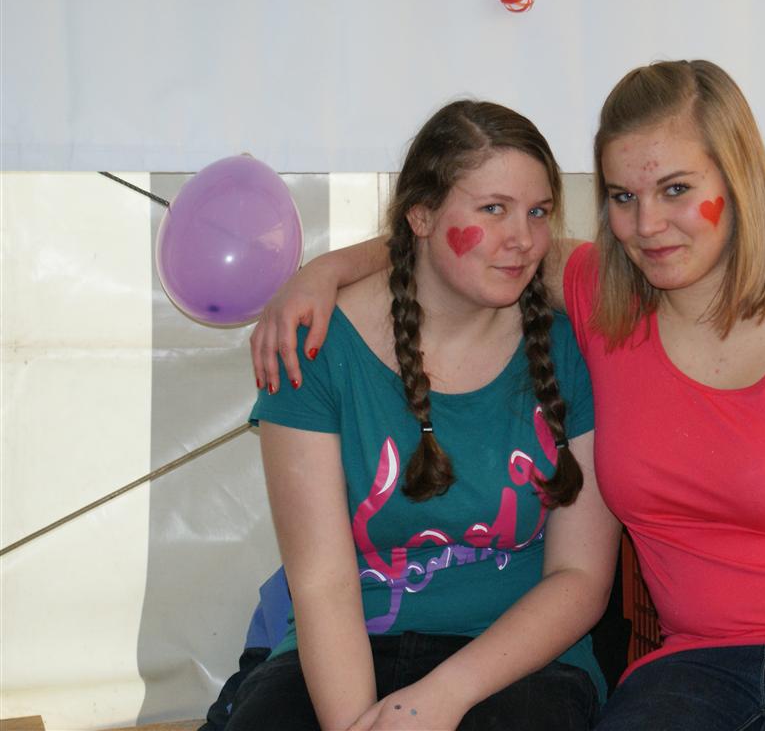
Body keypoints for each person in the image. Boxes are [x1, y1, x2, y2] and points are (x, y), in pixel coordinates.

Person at [250, 61, 765, 731]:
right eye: (622, 197)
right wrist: (322, 272)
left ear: (739, 181)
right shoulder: (602, 305)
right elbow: (449, 242)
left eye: (676, 190)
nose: (646, 225)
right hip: (700, 666)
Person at [229, 100, 620, 731]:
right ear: (421, 215)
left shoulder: (573, 345)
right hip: (346, 650)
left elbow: (580, 577)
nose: (523, 239)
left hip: (516, 660)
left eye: (538, 211)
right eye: (493, 209)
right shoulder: (316, 346)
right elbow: (324, 584)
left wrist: (439, 698)